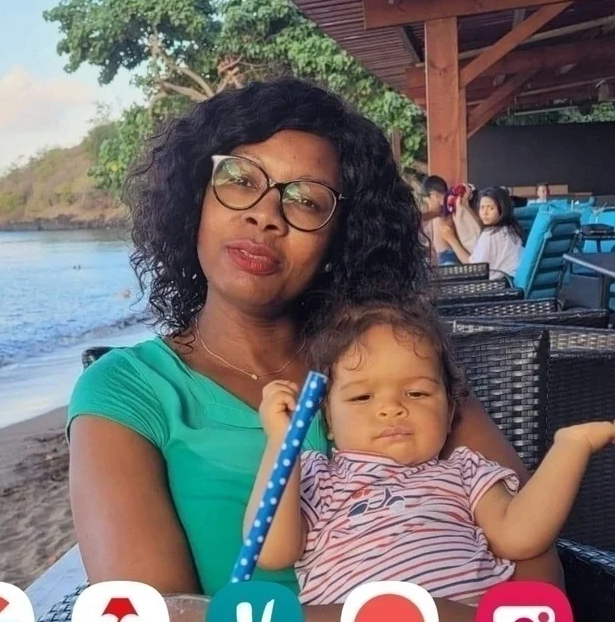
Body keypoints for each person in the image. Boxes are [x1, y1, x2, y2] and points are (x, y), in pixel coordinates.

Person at [67, 78, 562, 622]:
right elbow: (150, 613)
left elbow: (533, 558)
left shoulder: (397, 361)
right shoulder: (128, 392)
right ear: (195, 201)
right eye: (240, 179)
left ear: (340, 238)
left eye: (306, 200)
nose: (265, 215)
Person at [247, 303, 614, 607]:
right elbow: (272, 550)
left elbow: (519, 536)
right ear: (327, 420)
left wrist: (570, 448)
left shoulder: (465, 470)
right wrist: (281, 444)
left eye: (417, 393)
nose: (391, 408)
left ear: (450, 411)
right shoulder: (317, 476)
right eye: (362, 397)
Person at [441, 187, 524, 279]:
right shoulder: (510, 229)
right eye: (482, 207)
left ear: (502, 209)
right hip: (511, 279)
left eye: (491, 208)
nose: (485, 213)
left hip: (499, 284)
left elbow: (474, 268)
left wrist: (452, 240)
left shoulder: (490, 235)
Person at [421, 175, 457, 265]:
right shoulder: (446, 205)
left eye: (428, 202)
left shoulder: (443, 207)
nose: (428, 206)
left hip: (448, 259)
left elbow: (425, 216)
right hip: (444, 257)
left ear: (434, 195)